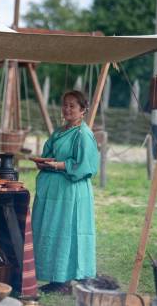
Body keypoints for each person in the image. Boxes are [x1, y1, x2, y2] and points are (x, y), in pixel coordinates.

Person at [31, 90, 99, 294]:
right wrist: (43, 163)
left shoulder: (83, 134)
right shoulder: (60, 132)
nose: (67, 109)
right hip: (53, 193)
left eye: (72, 106)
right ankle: (55, 277)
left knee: (66, 233)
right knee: (51, 232)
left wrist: (58, 165)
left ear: (82, 110)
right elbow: (49, 155)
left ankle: (65, 279)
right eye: (65, 105)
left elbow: (85, 166)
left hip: (71, 193)